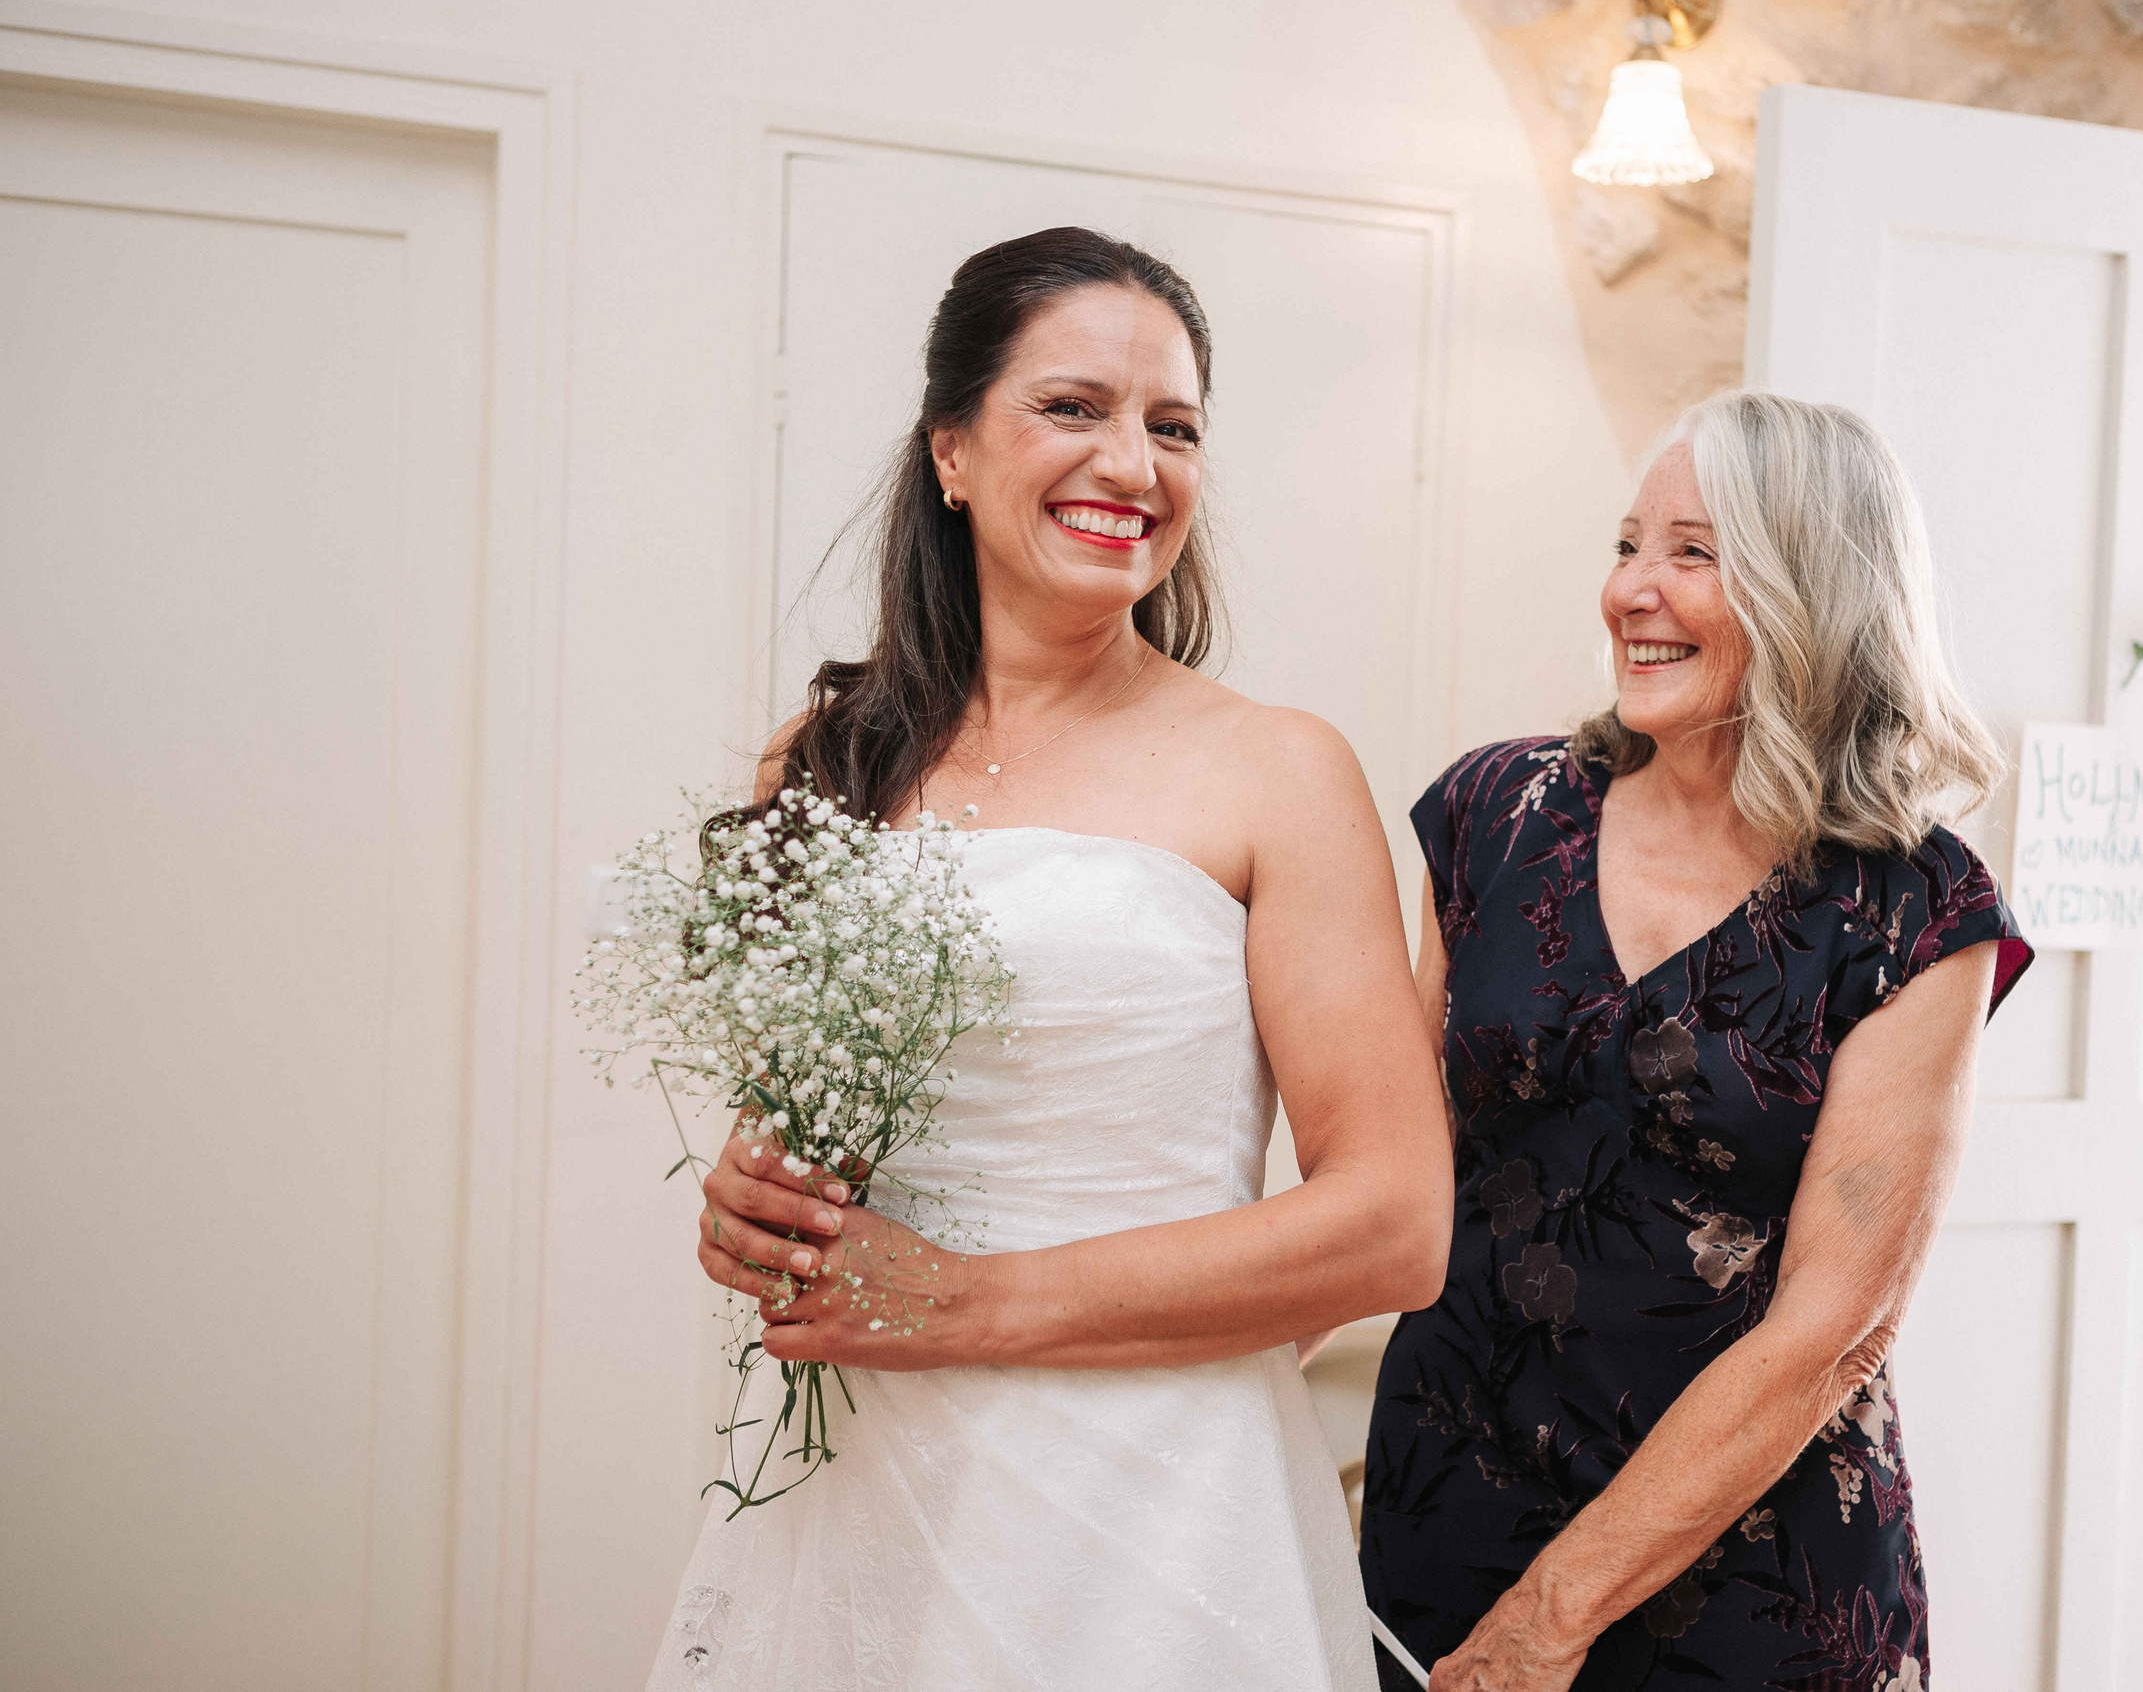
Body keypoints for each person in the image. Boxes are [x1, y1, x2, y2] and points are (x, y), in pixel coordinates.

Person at [650, 226, 1452, 1690]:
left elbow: (1394, 1223)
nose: (1133, 466)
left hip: (1149, 1512)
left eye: (1175, 428)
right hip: (855, 1483)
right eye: (1072, 408)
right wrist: (750, 1210)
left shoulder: (1278, 771)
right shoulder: (822, 765)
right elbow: (806, 1146)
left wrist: (978, 1303)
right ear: (952, 449)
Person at [1360, 391, 2033, 1692]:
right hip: (1446, 1518)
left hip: (1751, 1587)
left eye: (1692, 553)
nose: (1630, 592)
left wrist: (1552, 1619)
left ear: (1811, 594)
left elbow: (1837, 1327)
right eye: (1626, 547)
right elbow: (1394, 1175)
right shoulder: (1495, 815)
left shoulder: (1912, 906)